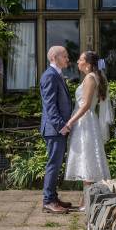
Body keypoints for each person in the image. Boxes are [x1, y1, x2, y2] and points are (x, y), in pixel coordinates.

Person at [63, 51, 111, 208]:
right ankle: (87, 199)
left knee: (87, 159)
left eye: (80, 59)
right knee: (86, 158)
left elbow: (85, 106)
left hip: (85, 122)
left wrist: (70, 122)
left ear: (88, 64)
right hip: (86, 121)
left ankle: (88, 201)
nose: (77, 61)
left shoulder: (90, 78)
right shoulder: (91, 77)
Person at [39, 46, 75, 214]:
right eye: (65, 56)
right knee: (53, 164)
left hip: (57, 129)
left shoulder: (56, 75)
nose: (68, 59)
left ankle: (53, 197)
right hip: (54, 129)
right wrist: (62, 126)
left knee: (56, 163)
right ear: (54, 57)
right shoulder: (49, 76)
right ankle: (48, 201)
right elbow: (50, 106)